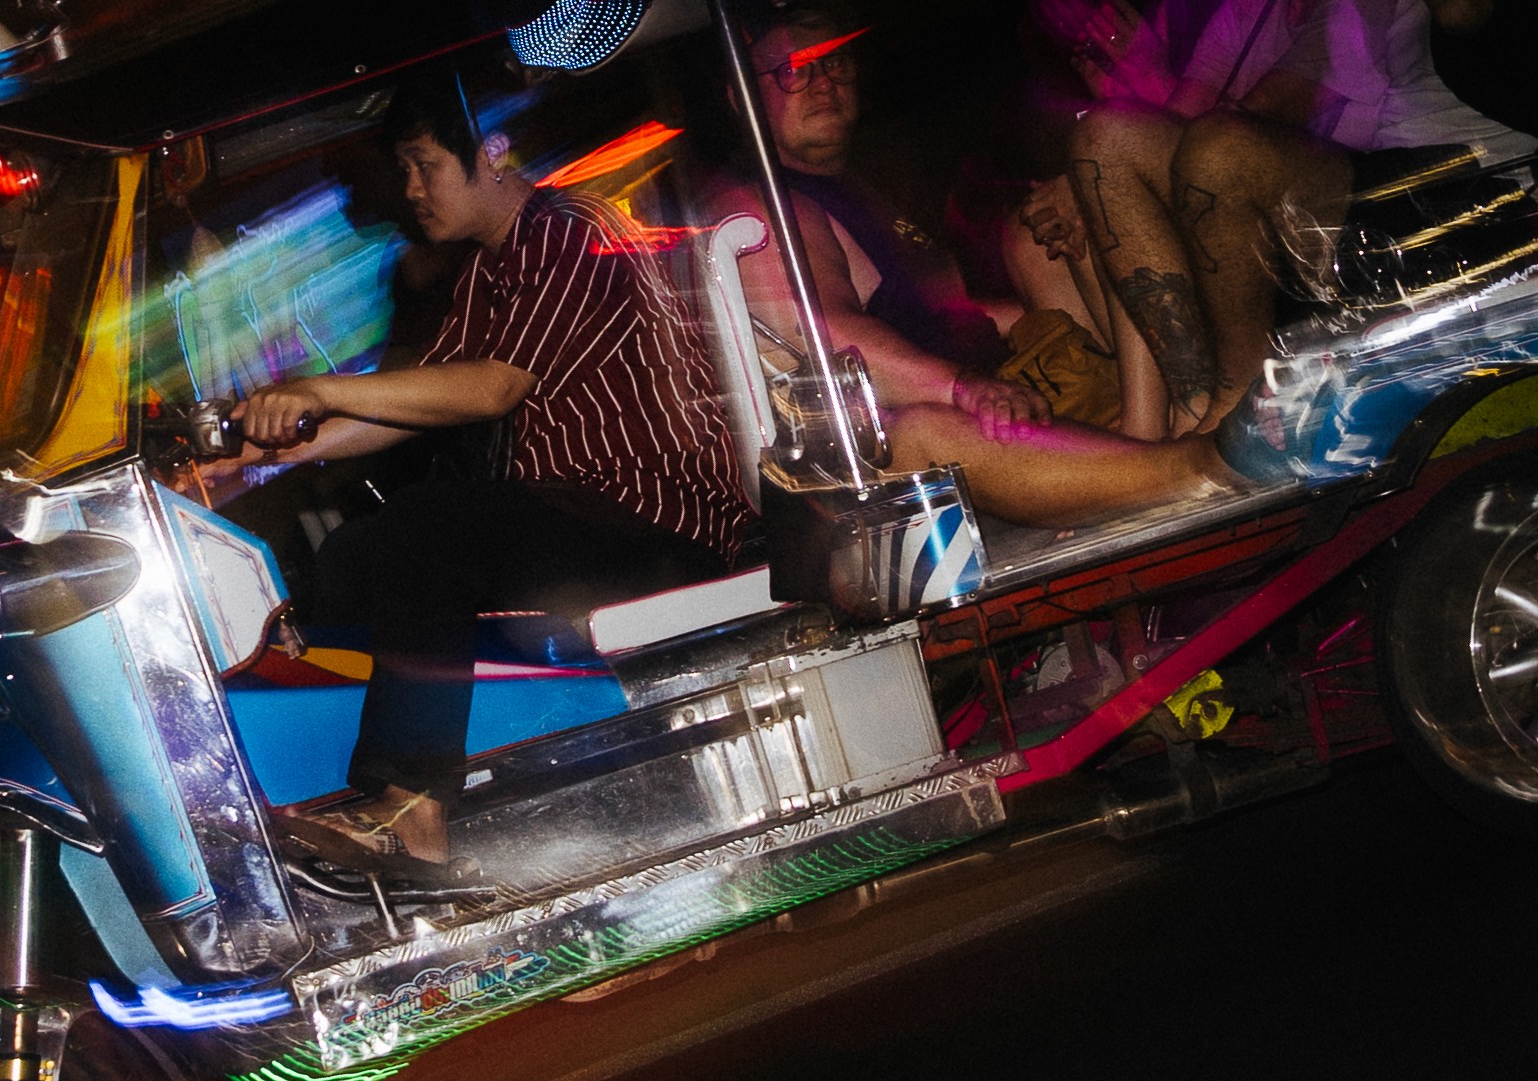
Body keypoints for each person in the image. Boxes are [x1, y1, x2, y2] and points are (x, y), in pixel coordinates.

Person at [215, 83, 756, 865]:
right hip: (580, 517)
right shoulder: (489, 267)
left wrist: (318, 390)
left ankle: (413, 809)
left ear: (492, 152)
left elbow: (490, 389)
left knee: (430, 526)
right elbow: (411, 406)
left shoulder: (565, 231)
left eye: (424, 165)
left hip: (654, 522)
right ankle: (375, 776)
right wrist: (259, 454)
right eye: (403, 169)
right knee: (348, 559)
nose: (410, 189)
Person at [1055, 0, 1536, 433]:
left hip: (1466, 189)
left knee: (1223, 154)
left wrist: (1143, 78)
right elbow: (1187, 117)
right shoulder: (1242, 13)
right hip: (1358, 190)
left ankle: (1234, 417)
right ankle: (1177, 414)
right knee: (1106, 140)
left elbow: (1269, 112)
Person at [704, 1, 1081, 444]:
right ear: (742, 97)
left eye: (835, 62)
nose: (823, 82)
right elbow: (824, 331)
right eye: (793, 70)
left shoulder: (862, 186)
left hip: (996, 385)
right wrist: (965, 388)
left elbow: (955, 314)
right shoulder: (760, 204)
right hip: (933, 427)